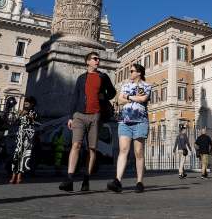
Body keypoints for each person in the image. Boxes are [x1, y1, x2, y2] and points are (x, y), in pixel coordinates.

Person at [59, 52, 116, 192]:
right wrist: (70, 117)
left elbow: (113, 92)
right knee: (76, 145)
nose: (98, 61)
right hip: (79, 115)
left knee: (92, 148)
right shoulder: (81, 78)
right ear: (88, 62)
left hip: (95, 115)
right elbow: (75, 96)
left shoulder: (103, 76)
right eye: (95, 59)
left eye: (98, 59)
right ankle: (70, 179)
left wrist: (104, 96)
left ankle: (86, 179)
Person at [107, 62, 151, 193]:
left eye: (132, 71)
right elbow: (119, 100)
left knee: (138, 152)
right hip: (124, 121)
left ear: (139, 73)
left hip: (140, 121)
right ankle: (117, 181)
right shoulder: (125, 85)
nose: (130, 73)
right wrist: (132, 98)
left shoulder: (146, 86)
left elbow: (143, 98)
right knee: (123, 150)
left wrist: (128, 97)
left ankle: (139, 182)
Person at [10, 96, 38, 184]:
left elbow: (34, 121)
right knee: (17, 154)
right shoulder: (21, 111)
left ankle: (19, 176)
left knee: (24, 155)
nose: (26, 104)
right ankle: (13, 175)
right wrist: (18, 116)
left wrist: (28, 116)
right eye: (25, 102)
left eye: (28, 102)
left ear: (32, 104)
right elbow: (15, 122)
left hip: (28, 136)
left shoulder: (33, 112)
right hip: (20, 135)